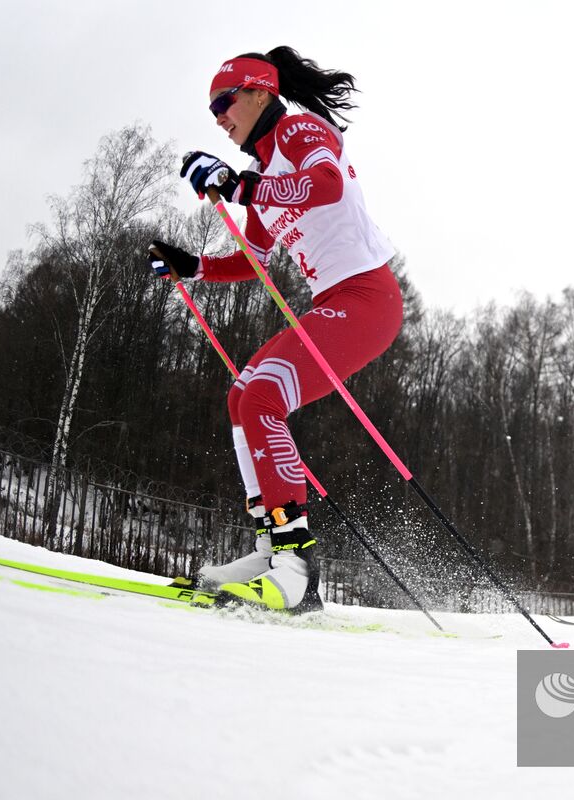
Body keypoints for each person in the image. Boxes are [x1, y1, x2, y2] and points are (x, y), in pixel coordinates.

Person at [148, 46, 400, 612]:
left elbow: (326, 185)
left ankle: (297, 565)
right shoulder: (262, 175)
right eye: (212, 109)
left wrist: (238, 187)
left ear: (261, 91)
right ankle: (270, 550)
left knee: (263, 395)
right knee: (242, 397)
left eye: (224, 101)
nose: (218, 117)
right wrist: (194, 266)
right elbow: (255, 259)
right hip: (334, 301)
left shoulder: (299, 132)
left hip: (367, 298)